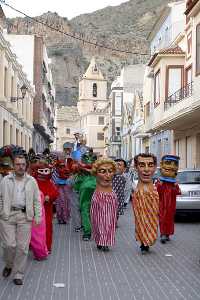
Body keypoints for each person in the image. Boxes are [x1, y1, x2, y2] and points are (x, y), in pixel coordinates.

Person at [0, 155, 41, 285]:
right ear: (13, 166)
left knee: (22, 247)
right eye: (18, 164)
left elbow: (36, 200)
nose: (20, 167)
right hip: (8, 215)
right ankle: (9, 264)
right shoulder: (6, 180)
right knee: (9, 245)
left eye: (23, 164)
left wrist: (37, 216)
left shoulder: (32, 181)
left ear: (26, 166)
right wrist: (1, 212)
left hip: (24, 216)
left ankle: (18, 274)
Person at [132, 153, 159, 254]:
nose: (146, 169)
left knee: (152, 221)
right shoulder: (136, 192)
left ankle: (148, 241)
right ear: (136, 167)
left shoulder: (156, 190)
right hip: (139, 195)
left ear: (155, 167)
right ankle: (143, 243)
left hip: (152, 196)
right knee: (140, 221)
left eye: (150, 165)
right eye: (142, 165)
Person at [90, 159, 118, 251]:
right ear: (96, 173)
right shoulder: (96, 195)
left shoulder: (113, 195)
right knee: (97, 221)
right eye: (102, 171)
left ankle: (106, 242)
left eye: (110, 171)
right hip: (98, 196)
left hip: (110, 197)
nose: (107, 175)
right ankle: (99, 240)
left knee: (110, 221)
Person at [155, 155, 181, 244]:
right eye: (168, 163)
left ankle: (168, 234)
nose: (171, 167)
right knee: (162, 218)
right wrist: (160, 184)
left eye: (174, 165)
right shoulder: (160, 182)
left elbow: (177, 192)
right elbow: (157, 192)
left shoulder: (173, 183)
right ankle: (163, 234)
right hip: (162, 204)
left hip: (171, 205)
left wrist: (175, 186)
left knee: (170, 219)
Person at [30, 191, 48, 260]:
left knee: (36, 236)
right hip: (39, 216)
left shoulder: (36, 193)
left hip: (36, 217)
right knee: (40, 236)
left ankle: (40, 254)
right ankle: (42, 253)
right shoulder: (39, 192)